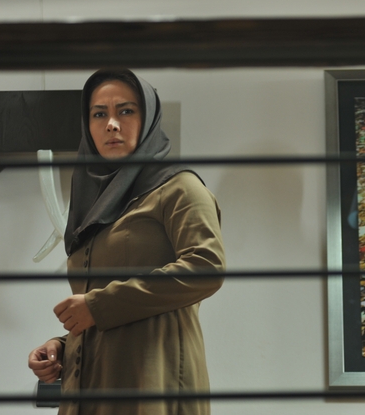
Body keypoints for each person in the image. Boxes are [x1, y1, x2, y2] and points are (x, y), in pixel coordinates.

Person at [27, 69, 225, 415]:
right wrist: (63, 345)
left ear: (148, 119)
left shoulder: (179, 189)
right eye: (99, 114)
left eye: (126, 111)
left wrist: (98, 306)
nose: (111, 124)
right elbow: (105, 310)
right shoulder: (92, 204)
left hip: (154, 387)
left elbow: (206, 267)